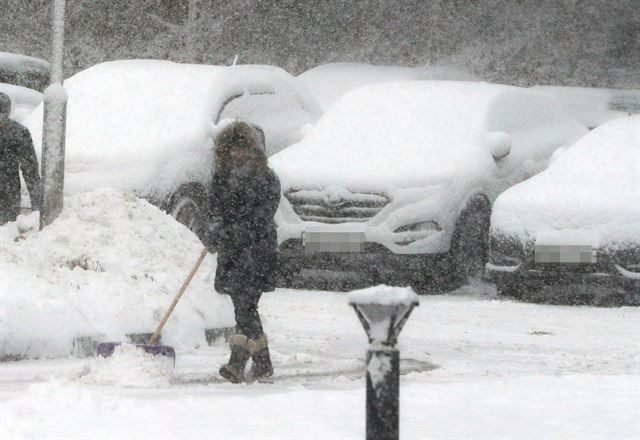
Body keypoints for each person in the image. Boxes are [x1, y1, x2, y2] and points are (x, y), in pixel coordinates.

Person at [206, 121, 281, 383]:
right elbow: (214, 209)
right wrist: (214, 230)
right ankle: (263, 363)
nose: (236, 155)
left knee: (245, 308)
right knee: (245, 308)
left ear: (252, 151)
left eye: (241, 149)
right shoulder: (221, 178)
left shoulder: (267, 180)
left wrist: (233, 230)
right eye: (231, 150)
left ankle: (237, 363)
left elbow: (260, 218)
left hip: (257, 254)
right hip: (232, 255)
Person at [0, 92, 40, 225]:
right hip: (8, 196)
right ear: (8, 111)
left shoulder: (18, 132)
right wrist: (36, 204)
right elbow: (30, 170)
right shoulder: (18, 131)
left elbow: (30, 169)